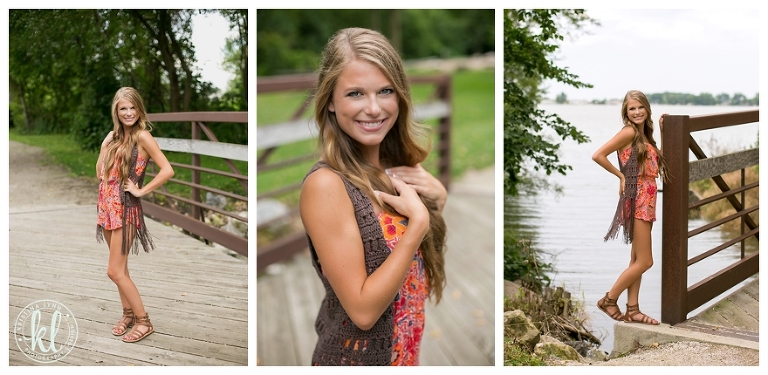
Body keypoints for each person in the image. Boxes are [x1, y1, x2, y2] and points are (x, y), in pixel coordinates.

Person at [299, 27, 448, 366]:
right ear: (331, 102)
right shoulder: (326, 186)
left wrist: (437, 200)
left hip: (405, 355)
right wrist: (419, 225)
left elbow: (411, 266)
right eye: (355, 94)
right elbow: (363, 311)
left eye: (385, 91)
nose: (374, 108)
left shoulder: (393, 169)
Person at [96, 87, 174, 343]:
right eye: (123, 109)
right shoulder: (116, 138)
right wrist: (104, 144)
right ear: (116, 112)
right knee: (122, 268)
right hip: (108, 207)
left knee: (114, 271)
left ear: (139, 109)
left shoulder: (143, 136)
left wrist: (141, 190)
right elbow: (100, 173)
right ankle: (127, 314)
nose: (128, 113)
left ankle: (143, 320)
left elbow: (167, 170)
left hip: (126, 207)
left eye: (132, 108)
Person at [591, 90, 669, 325]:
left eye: (640, 107)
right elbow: (598, 155)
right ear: (626, 112)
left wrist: (664, 133)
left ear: (647, 109)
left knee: (636, 259)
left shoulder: (644, 137)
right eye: (631, 109)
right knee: (646, 262)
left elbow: (657, 164)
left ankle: (633, 310)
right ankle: (609, 299)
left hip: (647, 199)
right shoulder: (628, 132)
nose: (636, 112)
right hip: (637, 199)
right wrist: (621, 177)